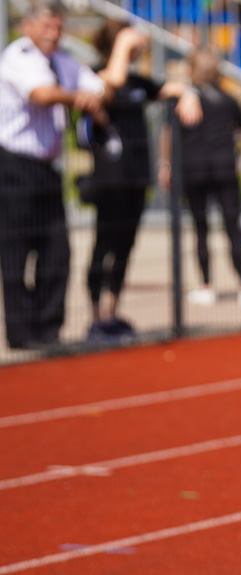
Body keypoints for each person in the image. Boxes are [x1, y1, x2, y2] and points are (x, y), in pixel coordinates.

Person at [84, 20, 202, 342]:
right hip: (109, 178)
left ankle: (111, 312)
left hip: (137, 177)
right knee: (103, 245)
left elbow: (170, 89)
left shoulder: (137, 80)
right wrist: (122, 45)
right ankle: (94, 316)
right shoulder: (95, 74)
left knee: (125, 246)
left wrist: (189, 94)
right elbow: (109, 83)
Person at [0, 0, 107, 350]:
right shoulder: (18, 56)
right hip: (14, 165)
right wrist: (79, 97)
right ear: (28, 26)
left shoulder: (64, 60)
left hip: (48, 167)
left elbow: (97, 85)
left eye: (59, 27)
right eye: (47, 26)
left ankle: (49, 329)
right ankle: (22, 333)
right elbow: (41, 94)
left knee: (58, 250)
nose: (53, 33)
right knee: (16, 252)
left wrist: (92, 94)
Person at [159, 48, 241, 309]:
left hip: (192, 168)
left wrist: (166, 166)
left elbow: (168, 135)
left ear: (192, 70)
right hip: (224, 169)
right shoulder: (230, 100)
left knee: (200, 228)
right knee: (233, 227)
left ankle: (206, 286)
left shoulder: (182, 100)